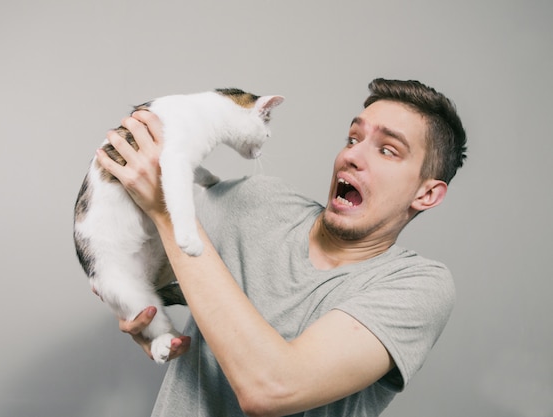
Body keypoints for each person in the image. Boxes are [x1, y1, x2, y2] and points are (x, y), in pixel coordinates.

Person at [95, 78, 467, 417]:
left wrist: (167, 209)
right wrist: (139, 312)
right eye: (353, 139)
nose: (351, 156)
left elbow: (271, 388)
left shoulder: (417, 286)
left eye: (387, 150)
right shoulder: (257, 201)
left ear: (427, 193)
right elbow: (129, 265)